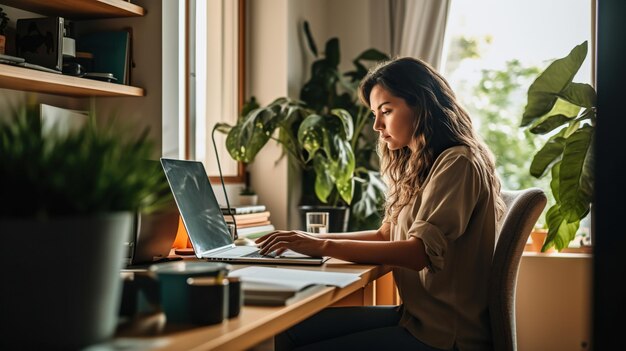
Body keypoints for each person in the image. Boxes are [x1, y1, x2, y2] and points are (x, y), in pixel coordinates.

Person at [256, 57, 506, 351]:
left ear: (422, 105)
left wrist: (321, 247)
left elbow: (418, 253)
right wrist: (309, 239)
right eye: (375, 113)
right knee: (290, 331)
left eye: (386, 111)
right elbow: (384, 236)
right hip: (415, 318)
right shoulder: (421, 165)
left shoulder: (458, 162)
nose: (376, 125)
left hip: (445, 335)